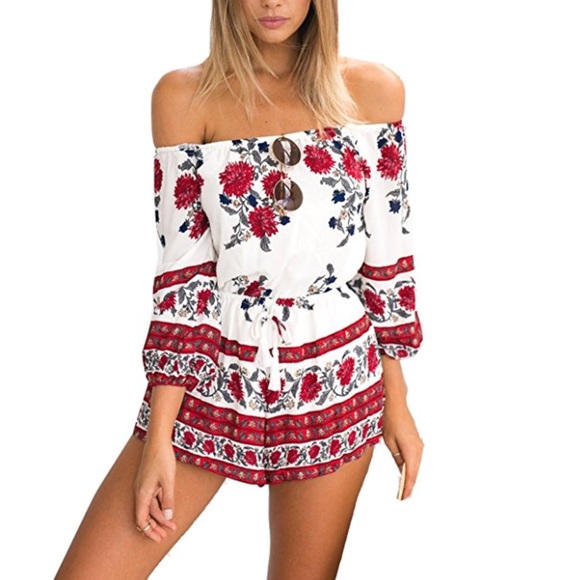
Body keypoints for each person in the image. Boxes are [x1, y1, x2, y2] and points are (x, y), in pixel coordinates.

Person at [56, 0, 424, 577]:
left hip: (337, 381)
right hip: (211, 371)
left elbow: (387, 261)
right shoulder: (183, 97)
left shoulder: (374, 92)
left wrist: (397, 402)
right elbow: (184, 275)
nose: (271, 1)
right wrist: (159, 437)